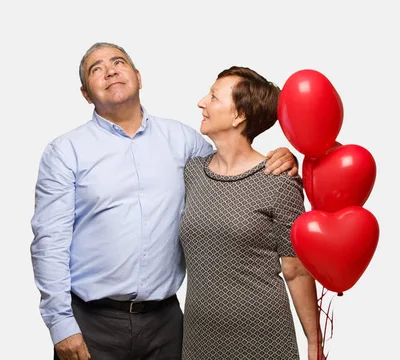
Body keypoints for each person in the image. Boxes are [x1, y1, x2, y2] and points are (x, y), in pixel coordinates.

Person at [30, 42, 298, 360]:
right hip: (92, 326)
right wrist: (61, 325)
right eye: (96, 69)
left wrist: (284, 157)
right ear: (86, 94)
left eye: (118, 62)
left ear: (139, 78)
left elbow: (234, 164)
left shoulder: (184, 142)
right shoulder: (65, 151)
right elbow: (49, 243)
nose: (110, 70)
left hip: (167, 326)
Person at [179, 66, 323, 360]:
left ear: (239, 115)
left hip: (262, 340)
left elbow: (296, 271)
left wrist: (313, 342)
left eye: (213, 97)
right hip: (199, 339)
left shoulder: (279, 181)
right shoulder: (192, 172)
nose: (201, 102)